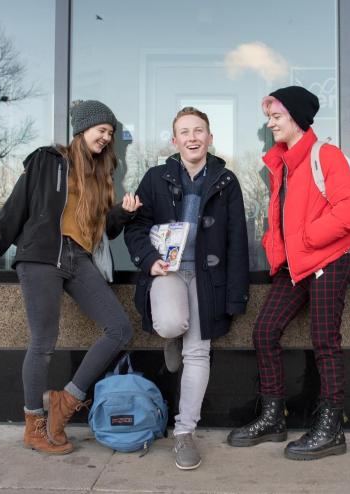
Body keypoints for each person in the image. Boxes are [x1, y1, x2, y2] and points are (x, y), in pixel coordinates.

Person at [0, 100, 141, 455]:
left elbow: (102, 230)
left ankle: (66, 401)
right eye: (101, 131)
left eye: (110, 133)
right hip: (42, 258)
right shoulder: (48, 160)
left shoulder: (100, 176)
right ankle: (34, 425)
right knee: (43, 342)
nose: (106, 138)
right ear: (82, 129)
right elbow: (15, 210)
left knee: (120, 329)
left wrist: (122, 213)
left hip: (79, 258)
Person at [227, 86, 350, 460]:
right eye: (269, 117)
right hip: (294, 266)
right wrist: (278, 245)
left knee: (324, 341)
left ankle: (332, 428)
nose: (270, 123)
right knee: (265, 331)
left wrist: (306, 238)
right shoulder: (282, 162)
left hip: (329, 260)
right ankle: (274, 417)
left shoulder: (326, 155)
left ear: (297, 118)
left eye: (277, 117)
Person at [124, 107, 249, 470]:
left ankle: (184, 433)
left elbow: (237, 240)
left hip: (209, 279)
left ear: (210, 138)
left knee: (199, 352)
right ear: (173, 140)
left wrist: (235, 295)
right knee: (171, 325)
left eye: (199, 131)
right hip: (168, 273)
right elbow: (135, 227)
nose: (192, 137)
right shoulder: (155, 177)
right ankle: (172, 336)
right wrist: (149, 260)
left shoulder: (226, 180)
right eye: (185, 131)